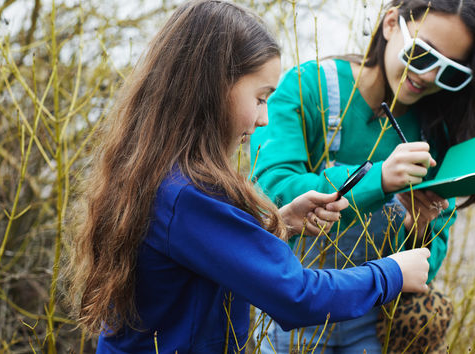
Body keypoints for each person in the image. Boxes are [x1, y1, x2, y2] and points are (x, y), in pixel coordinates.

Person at [66, 1, 432, 353]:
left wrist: (279, 225)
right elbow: (297, 296)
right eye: (260, 98)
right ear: (212, 87)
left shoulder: (159, 176)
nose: (264, 119)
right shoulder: (189, 195)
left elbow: (201, 253)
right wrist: (392, 274)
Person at [251, 0, 475, 352]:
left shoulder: (437, 130)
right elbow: (271, 196)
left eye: (449, 72)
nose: (428, 76)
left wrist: (417, 227)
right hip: (292, 316)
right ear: (389, 24)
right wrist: (379, 180)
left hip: (373, 328)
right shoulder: (308, 88)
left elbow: (424, 274)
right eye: (422, 54)